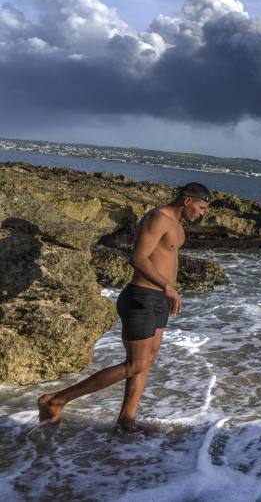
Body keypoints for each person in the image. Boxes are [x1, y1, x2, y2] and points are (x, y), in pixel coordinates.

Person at [37, 182, 212, 432]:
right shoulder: (158, 218)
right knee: (134, 365)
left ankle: (126, 421)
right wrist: (167, 286)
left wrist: (167, 290)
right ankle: (54, 401)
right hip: (141, 297)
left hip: (158, 300)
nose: (202, 213)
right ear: (187, 201)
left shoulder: (177, 223)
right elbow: (137, 258)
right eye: (201, 207)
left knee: (147, 361)